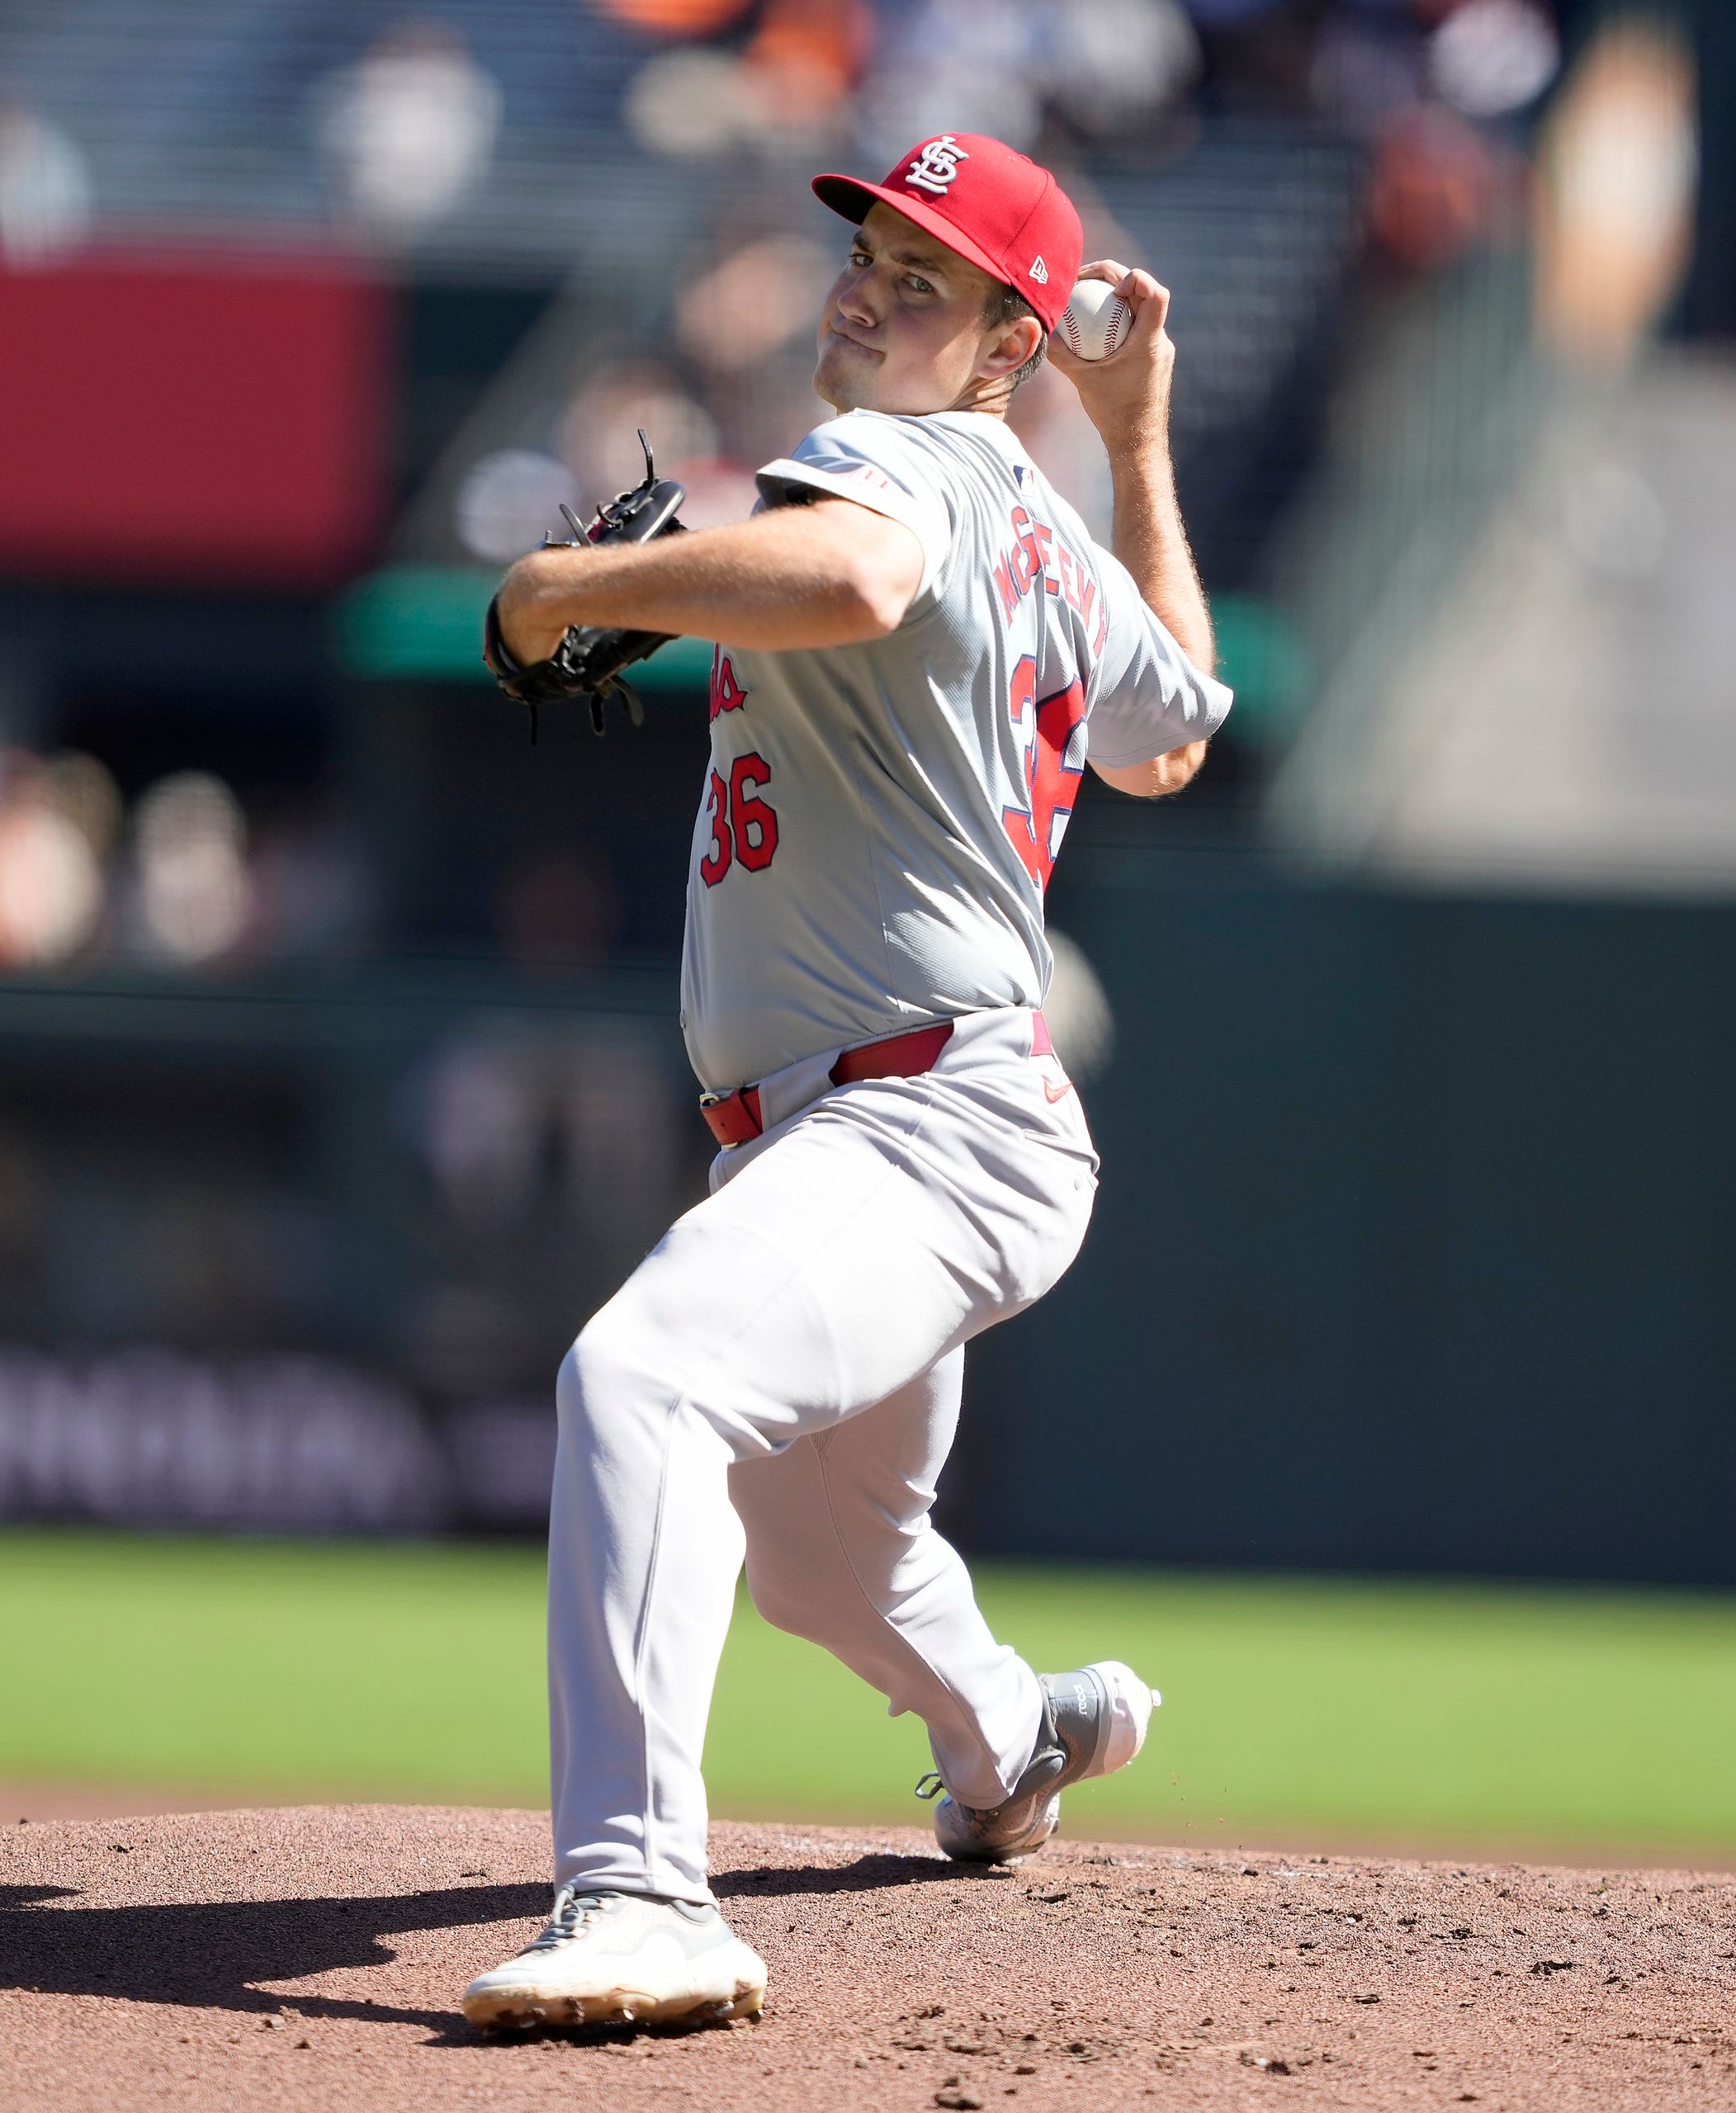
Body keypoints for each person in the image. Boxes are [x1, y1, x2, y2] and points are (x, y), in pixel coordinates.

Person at [459, 131, 1230, 2033]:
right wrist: (1133, 441)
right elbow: (1178, 734)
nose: (875, 290)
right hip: (881, 1127)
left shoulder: (908, 465)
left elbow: (864, 576)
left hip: (919, 1114)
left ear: (997, 353)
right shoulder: (1039, 510)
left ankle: (640, 1892)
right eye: (874, 253)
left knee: (639, 1378)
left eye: (932, 281)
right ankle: (1010, 1742)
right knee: (833, 1560)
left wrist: (561, 582)